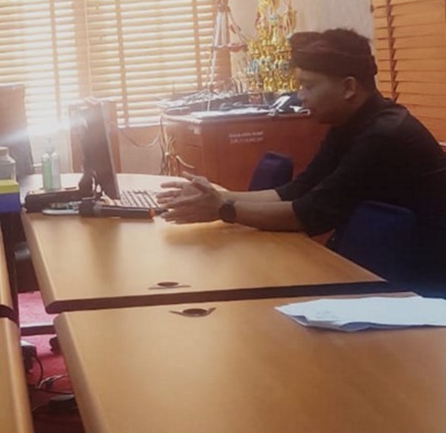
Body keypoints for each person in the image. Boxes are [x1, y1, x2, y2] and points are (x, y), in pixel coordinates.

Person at [159, 28, 446, 294]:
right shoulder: (348, 124)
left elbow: (309, 214)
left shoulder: (384, 135)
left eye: (308, 86)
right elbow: (298, 190)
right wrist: (216, 196)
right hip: (383, 267)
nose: (300, 97)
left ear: (348, 87)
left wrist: (224, 209)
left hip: (420, 283)